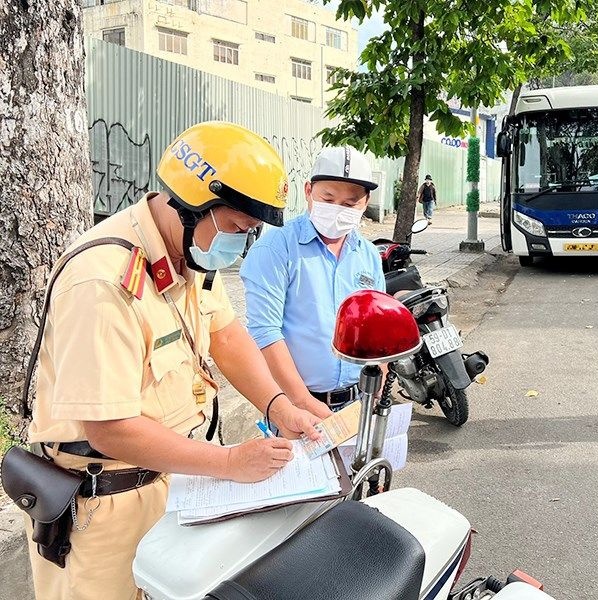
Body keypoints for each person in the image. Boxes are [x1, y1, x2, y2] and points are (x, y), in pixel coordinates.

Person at [24, 121, 323, 599]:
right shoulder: (102, 283)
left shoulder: (191, 256)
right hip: (101, 512)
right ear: (193, 205)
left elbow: (226, 336)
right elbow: (110, 428)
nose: (239, 245)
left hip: (174, 487)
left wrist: (277, 405)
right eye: (237, 228)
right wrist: (229, 462)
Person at [240, 147, 386, 417]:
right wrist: (303, 402)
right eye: (328, 198)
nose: (336, 210)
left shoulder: (367, 254)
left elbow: (376, 324)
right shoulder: (276, 248)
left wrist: (381, 379)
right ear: (308, 191)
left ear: (365, 203)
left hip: (360, 401)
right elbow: (265, 332)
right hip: (298, 406)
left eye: (349, 204)